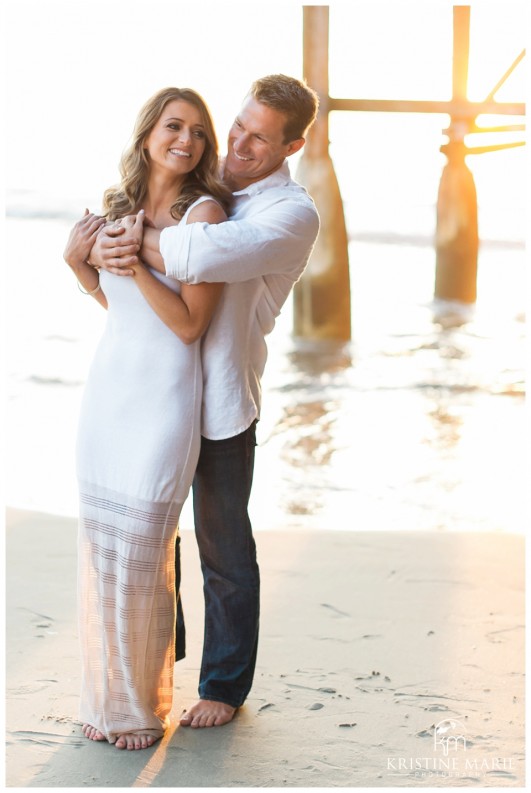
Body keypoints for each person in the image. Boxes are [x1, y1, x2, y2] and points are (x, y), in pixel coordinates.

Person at [88, 74, 320, 729]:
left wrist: (126, 237)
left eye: (258, 138)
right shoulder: (202, 191)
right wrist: (97, 254)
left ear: (292, 144)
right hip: (155, 395)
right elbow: (138, 293)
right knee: (149, 537)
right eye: (238, 127)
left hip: (219, 401)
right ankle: (156, 663)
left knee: (221, 546)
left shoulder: (289, 213)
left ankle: (222, 684)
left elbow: (196, 255)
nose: (237, 144)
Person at [63, 86, 232, 750]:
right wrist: (82, 267)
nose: (184, 140)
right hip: (109, 394)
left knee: (142, 556)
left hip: (164, 401)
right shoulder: (121, 206)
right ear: (146, 136)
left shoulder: (204, 214)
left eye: (196, 131)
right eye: (172, 126)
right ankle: (104, 699)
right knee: (105, 556)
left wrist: (132, 265)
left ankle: (139, 708)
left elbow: (189, 325)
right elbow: (125, 308)